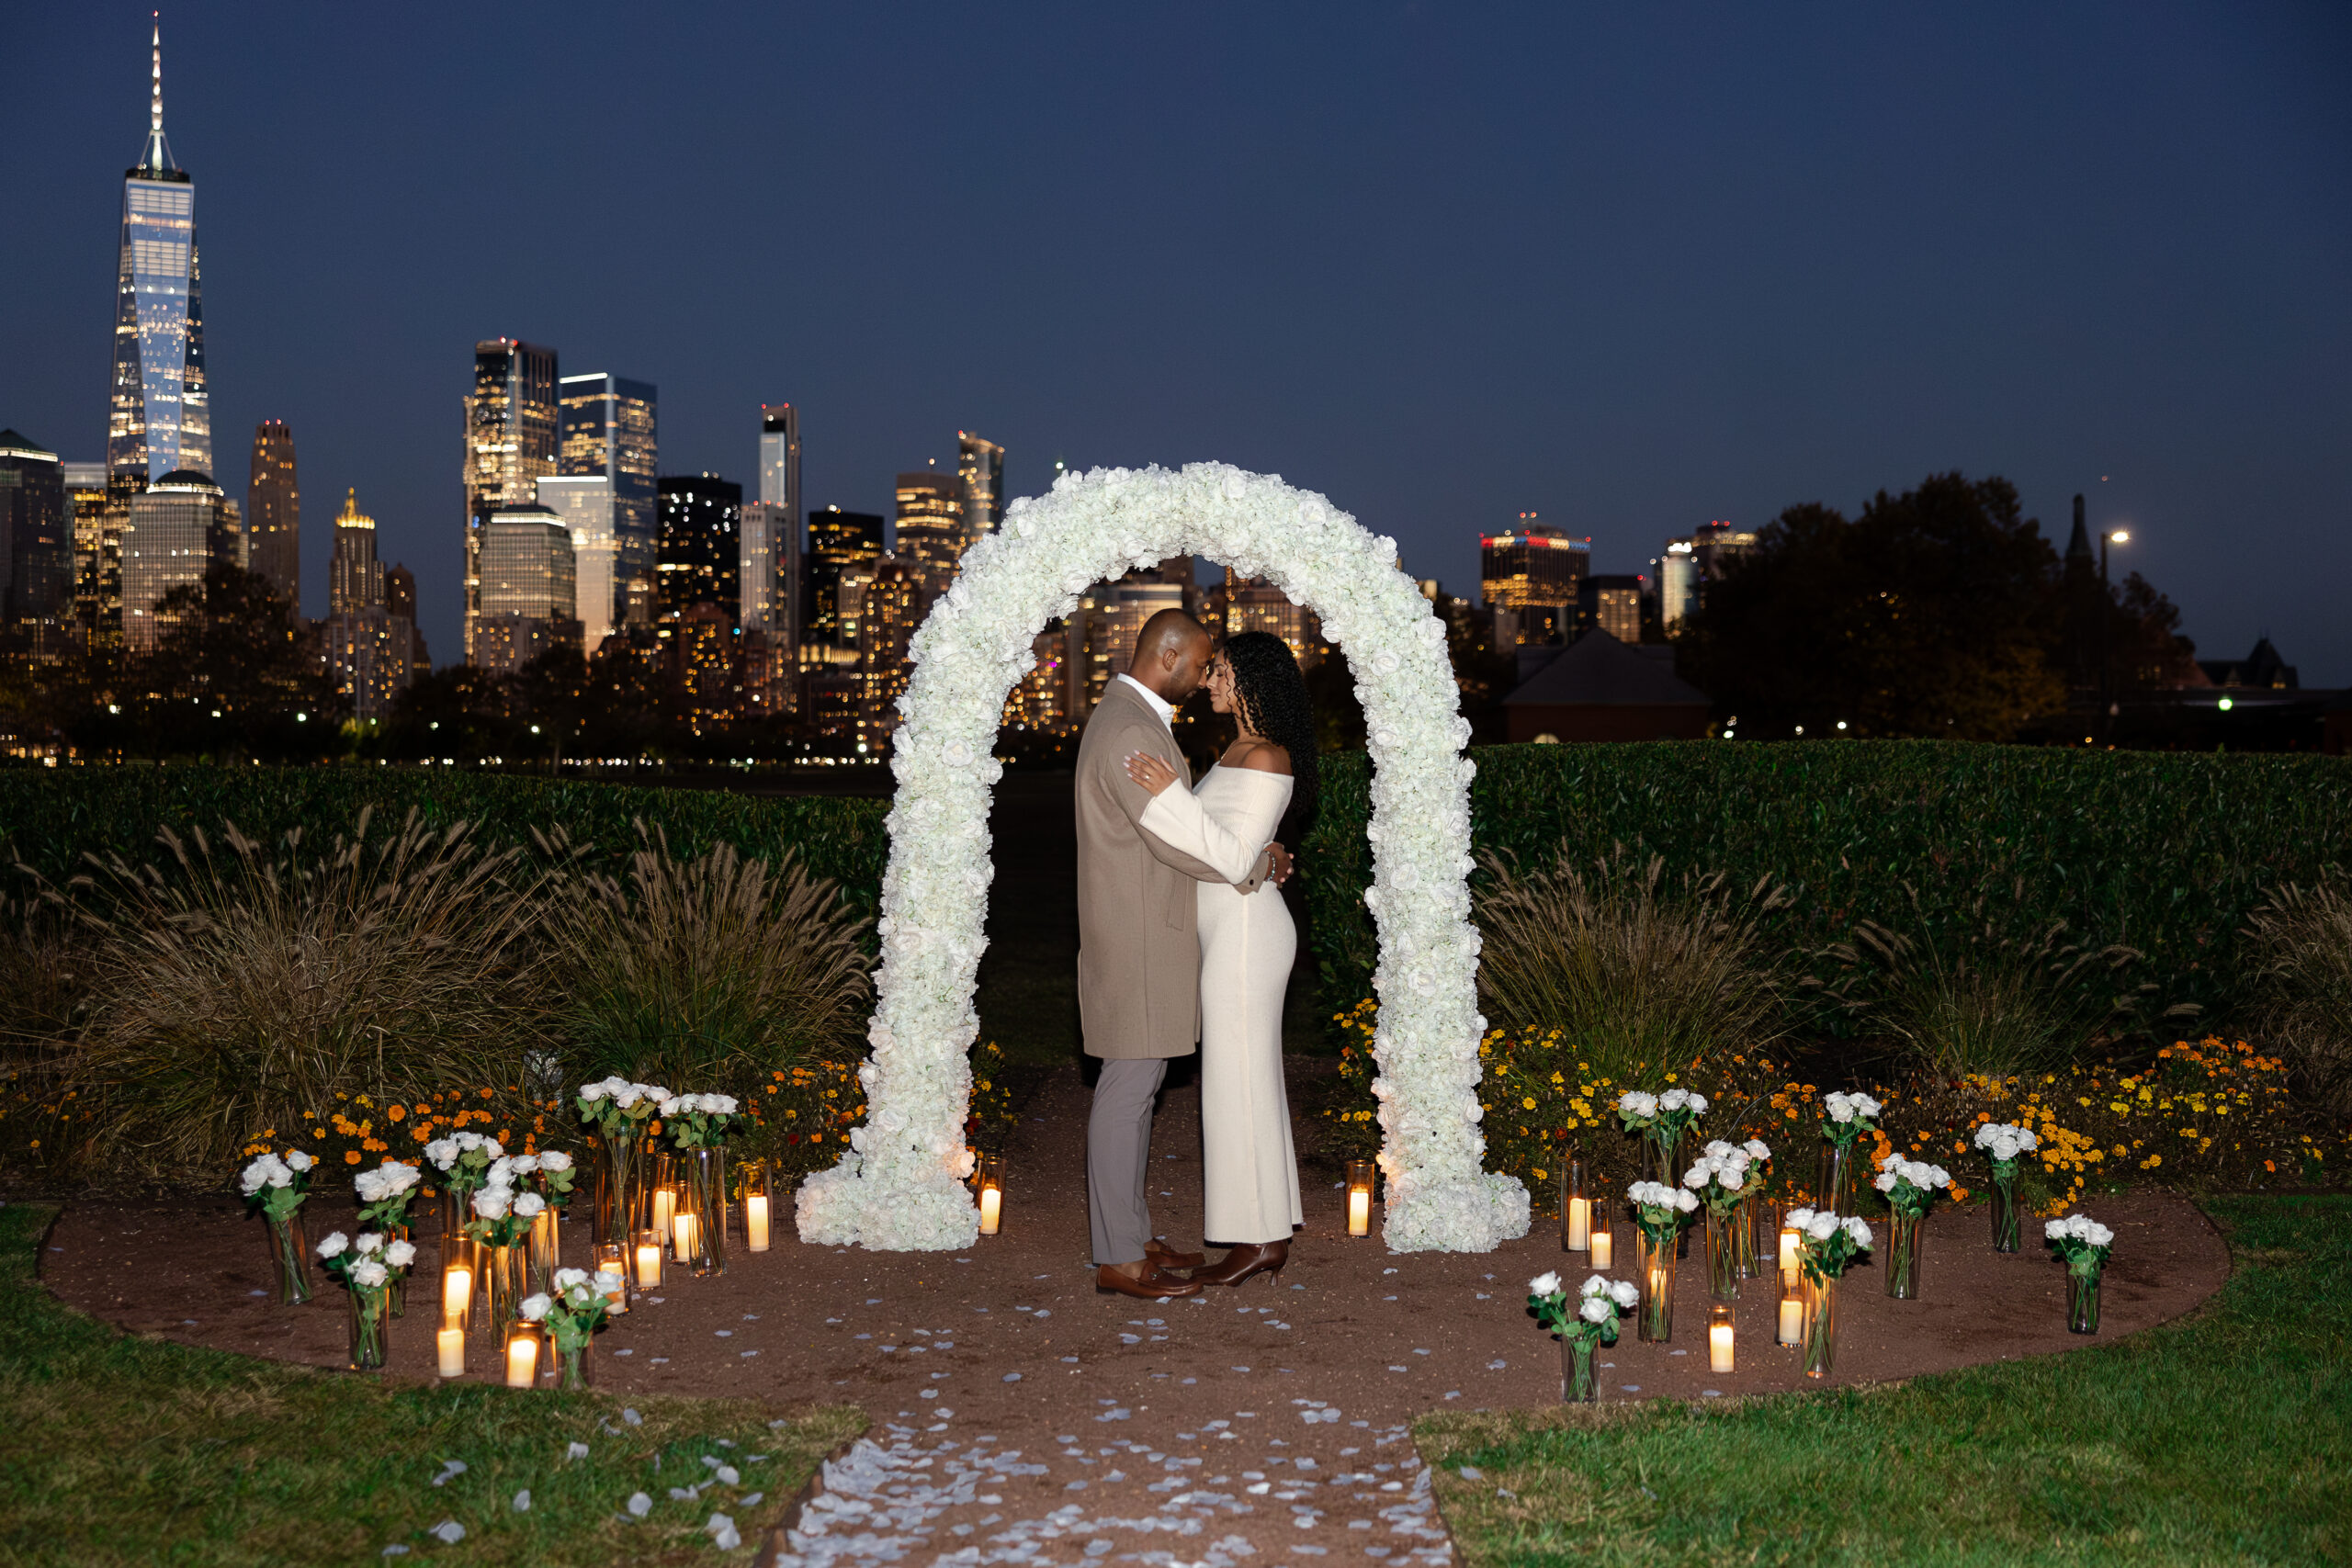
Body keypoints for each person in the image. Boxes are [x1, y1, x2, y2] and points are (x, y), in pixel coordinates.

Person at [1075, 609, 1289, 1301]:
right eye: (1201, 665)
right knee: (1128, 1092)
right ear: (1168, 654)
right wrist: (1255, 863)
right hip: (1142, 932)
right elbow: (1177, 839)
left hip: (1176, 930)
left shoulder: (1134, 721)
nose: (1204, 680)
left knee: (1139, 1091)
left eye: (1217, 670)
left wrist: (1260, 852)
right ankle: (1119, 1257)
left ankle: (1132, 1240)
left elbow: (1200, 825)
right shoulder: (1134, 730)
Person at [1123, 630, 1316, 1288]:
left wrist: (1167, 795)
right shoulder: (1235, 749)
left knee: (1239, 1085)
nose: (1208, 683)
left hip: (1245, 939)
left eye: (1221, 673)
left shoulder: (1266, 756)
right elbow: (1233, 851)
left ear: (1252, 680)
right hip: (1227, 932)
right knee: (1240, 1083)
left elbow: (1233, 859)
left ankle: (1258, 1239)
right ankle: (1263, 1228)